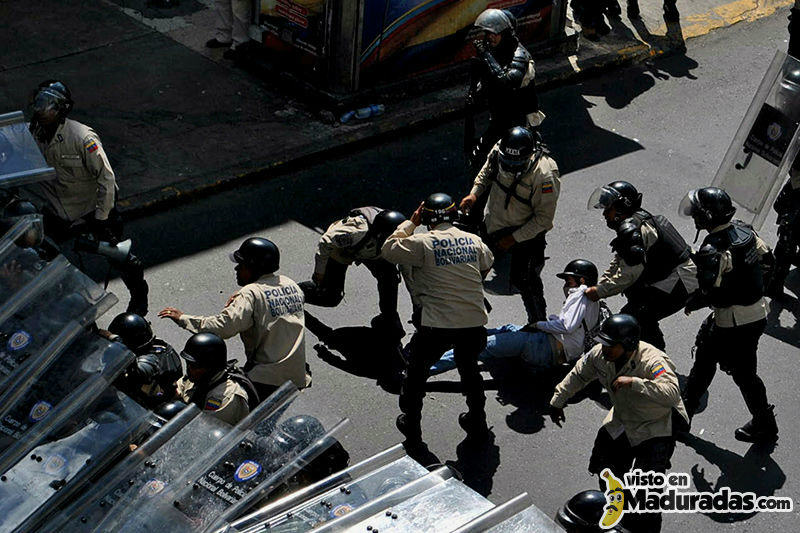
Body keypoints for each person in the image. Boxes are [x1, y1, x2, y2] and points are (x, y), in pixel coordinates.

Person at [549, 314, 689, 533]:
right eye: (603, 343)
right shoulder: (601, 355)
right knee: (606, 469)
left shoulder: (653, 360)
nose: (604, 349)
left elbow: (671, 393)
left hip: (654, 425)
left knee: (647, 491)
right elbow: (579, 374)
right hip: (623, 419)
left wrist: (634, 382)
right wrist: (558, 400)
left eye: (611, 346)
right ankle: (617, 512)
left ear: (628, 345)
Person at [22, 80, 148, 316]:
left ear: (61, 109)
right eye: (39, 103)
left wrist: (102, 216)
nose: (41, 109)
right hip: (58, 210)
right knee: (38, 250)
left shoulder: (81, 137)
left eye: (48, 105)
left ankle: (139, 298)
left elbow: (106, 178)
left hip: (91, 209)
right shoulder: (32, 134)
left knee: (120, 258)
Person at [380, 193, 494, 446]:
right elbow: (486, 264)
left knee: (416, 375)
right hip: (473, 323)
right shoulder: (474, 241)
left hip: (436, 326)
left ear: (426, 217)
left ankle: (412, 425)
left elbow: (388, 250)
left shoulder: (421, 242)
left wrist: (410, 223)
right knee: (470, 371)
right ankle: (477, 420)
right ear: (454, 215)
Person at [678, 187, 778, 443]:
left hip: (733, 322)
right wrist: (750, 288)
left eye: (698, 214)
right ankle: (683, 414)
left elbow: (710, 292)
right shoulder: (745, 230)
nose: (694, 217)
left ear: (707, 217)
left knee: (735, 372)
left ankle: (764, 425)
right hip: (756, 314)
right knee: (709, 359)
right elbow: (768, 261)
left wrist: (693, 302)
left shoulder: (712, 249)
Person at [159, 237, 311, 399]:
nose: (237, 269)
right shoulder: (291, 285)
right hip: (297, 375)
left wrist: (183, 318)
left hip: (266, 378)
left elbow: (223, 327)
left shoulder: (250, 294)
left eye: (242, 264)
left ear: (253, 267)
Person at [429, 259, 605, 375]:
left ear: (582, 280)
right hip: (551, 345)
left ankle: (423, 371)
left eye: (569, 279)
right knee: (507, 329)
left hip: (545, 348)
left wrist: (539, 325)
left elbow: (567, 326)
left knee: (480, 346)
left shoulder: (580, 293)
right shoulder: (591, 298)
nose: (566, 283)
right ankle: (458, 339)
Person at [461, 126, 560, 322]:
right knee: (471, 273)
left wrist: (513, 238)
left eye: (516, 164)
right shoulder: (500, 150)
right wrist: (474, 193)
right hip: (494, 224)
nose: (510, 167)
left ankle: (538, 325)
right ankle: (464, 321)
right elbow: (486, 172)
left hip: (526, 233)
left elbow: (543, 219)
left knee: (526, 281)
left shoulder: (545, 174)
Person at [585, 181, 697, 350]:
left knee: (632, 318)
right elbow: (621, 260)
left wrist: (600, 292)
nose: (605, 213)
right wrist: (600, 285)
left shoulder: (635, 229)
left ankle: (657, 362)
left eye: (609, 208)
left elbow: (629, 273)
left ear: (622, 207)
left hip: (681, 279)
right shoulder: (634, 222)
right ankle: (651, 351)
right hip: (669, 276)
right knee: (640, 310)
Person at [299, 207, 407, 339]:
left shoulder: (402, 236)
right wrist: (319, 273)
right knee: (330, 297)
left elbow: (410, 273)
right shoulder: (354, 233)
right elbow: (325, 242)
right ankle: (295, 293)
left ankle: (388, 318)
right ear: (379, 235)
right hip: (343, 251)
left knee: (390, 278)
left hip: (373, 253)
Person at [465, 9, 541, 171]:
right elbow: (486, 79)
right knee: (479, 158)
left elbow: (508, 82)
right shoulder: (494, 51)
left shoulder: (519, 55)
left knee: (518, 162)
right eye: (487, 32)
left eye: (495, 33)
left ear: (506, 33)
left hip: (517, 120)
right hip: (499, 116)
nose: (489, 37)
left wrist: (486, 56)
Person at [103, 312, 183, 409]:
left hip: (152, 408)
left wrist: (116, 341)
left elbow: (139, 371)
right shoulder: (156, 346)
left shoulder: (150, 358)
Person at [175, 333, 252, 425]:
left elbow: (205, 428)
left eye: (195, 366)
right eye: (188, 363)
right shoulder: (195, 378)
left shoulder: (225, 395)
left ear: (211, 367)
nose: (189, 369)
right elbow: (178, 388)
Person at [767, 163, 800, 297]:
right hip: (792, 226)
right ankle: (772, 287)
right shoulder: (793, 188)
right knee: (783, 257)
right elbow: (779, 205)